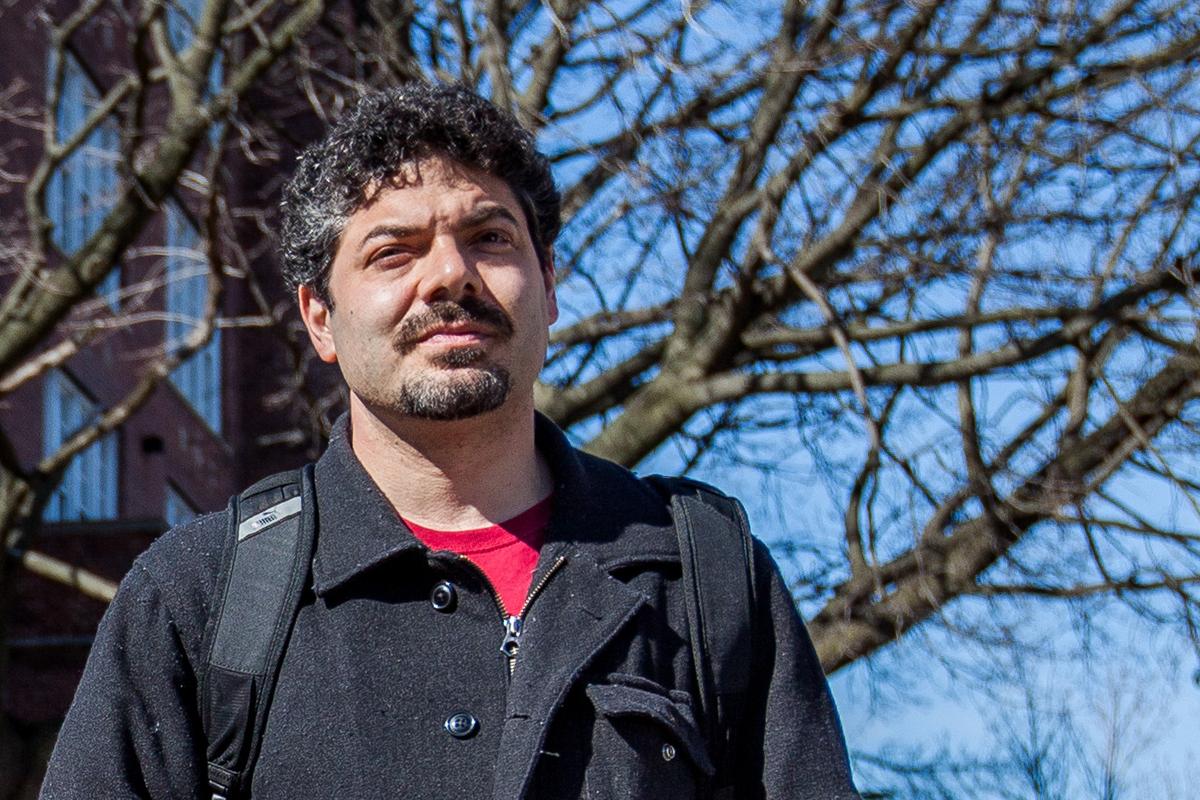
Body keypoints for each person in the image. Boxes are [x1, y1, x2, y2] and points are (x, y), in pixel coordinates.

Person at [41, 83, 862, 800]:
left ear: (549, 287)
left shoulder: (707, 578)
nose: (449, 275)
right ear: (319, 317)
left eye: (491, 238)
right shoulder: (200, 598)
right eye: (393, 251)